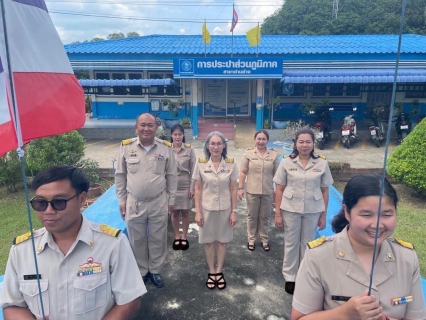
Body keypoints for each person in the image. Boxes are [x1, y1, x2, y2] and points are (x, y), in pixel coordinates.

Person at [0, 165, 146, 320]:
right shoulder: (22, 250)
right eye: (41, 203)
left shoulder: (112, 244)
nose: (49, 211)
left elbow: (130, 300)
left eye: (59, 202)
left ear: (81, 199)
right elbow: (13, 304)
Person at [291, 174, 426, 320]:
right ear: (347, 212)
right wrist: (344, 314)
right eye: (366, 215)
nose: (377, 225)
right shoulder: (318, 256)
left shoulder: (406, 257)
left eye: (387, 214)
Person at [115, 113, 177, 288]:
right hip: (134, 202)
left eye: (150, 125)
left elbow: (172, 176)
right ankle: (142, 271)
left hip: (159, 201)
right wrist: (121, 200)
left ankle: (155, 270)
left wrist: (171, 201)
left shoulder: (166, 148)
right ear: (136, 127)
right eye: (142, 125)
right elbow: (120, 176)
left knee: (158, 238)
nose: (146, 128)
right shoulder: (126, 147)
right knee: (137, 239)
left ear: (156, 127)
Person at [273, 128, 334, 295]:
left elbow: (324, 190)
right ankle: (290, 277)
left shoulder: (322, 162)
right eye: (301, 142)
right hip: (290, 208)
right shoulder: (286, 162)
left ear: (313, 143)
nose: (304, 145)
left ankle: (304, 275)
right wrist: (277, 213)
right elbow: (279, 189)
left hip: (313, 209)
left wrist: (323, 215)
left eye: (308, 141)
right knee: (291, 243)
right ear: (295, 143)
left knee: (308, 243)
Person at [192, 131, 238, 290]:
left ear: (224, 145)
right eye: (212, 143)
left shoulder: (231, 164)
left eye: (219, 143)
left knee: (222, 242)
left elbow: (233, 189)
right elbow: (197, 189)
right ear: (207, 146)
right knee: (209, 242)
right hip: (207, 209)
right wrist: (197, 212)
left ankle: (219, 271)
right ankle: (212, 271)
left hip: (225, 209)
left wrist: (234, 211)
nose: (216, 147)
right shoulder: (201, 163)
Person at [238, 129, 279, 251]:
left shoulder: (273, 154)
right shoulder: (248, 153)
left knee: (265, 216)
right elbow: (243, 171)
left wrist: (277, 189)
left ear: (267, 140)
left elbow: (277, 174)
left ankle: (264, 239)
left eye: (263, 139)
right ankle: (251, 239)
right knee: (252, 216)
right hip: (252, 190)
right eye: (259, 139)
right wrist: (240, 188)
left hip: (267, 191)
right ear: (255, 140)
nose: (261, 141)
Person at [170, 123, 196, 251]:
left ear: (183, 135)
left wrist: (192, 188)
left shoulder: (189, 149)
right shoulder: (166, 149)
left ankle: (184, 237)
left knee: (186, 212)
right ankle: (177, 236)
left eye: (180, 134)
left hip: (185, 184)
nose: (177, 137)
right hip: (171, 186)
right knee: (174, 212)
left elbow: (194, 170)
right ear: (171, 135)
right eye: (175, 134)